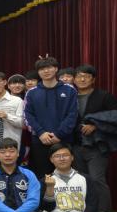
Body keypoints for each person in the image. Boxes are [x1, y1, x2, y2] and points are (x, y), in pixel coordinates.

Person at [72, 65, 117, 212]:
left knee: (97, 179)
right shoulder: (69, 97)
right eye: (79, 76)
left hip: (97, 146)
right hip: (75, 145)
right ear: (74, 79)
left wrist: (96, 125)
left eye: (87, 76)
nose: (82, 79)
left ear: (93, 79)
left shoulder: (104, 97)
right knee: (80, 181)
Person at [23, 55, 78, 183]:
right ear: (38, 72)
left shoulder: (69, 90)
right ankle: (45, 197)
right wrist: (41, 133)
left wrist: (59, 134)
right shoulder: (32, 92)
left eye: (49, 68)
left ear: (56, 69)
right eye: (42, 69)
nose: (46, 71)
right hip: (40, 140)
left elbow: (72, 115)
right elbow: (28, 115)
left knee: (65, 177)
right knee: (42, 177)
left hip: (63, 140)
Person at [0, 71, 25, 145]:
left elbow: (23, 123)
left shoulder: (17, 101)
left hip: (11, 143)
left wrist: (7, 116)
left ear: (5, 82)